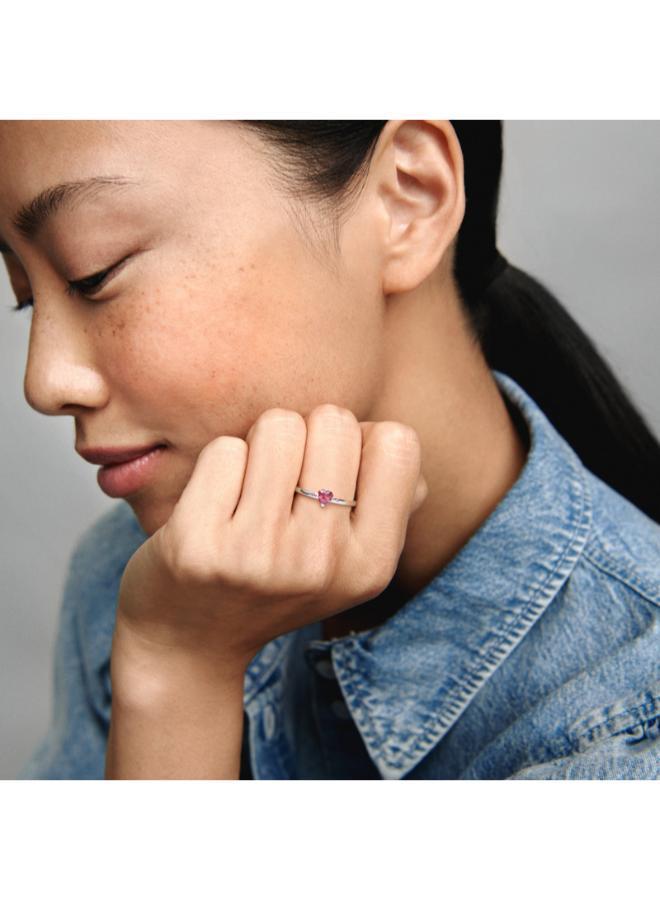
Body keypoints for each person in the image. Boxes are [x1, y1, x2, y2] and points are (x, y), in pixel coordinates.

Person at [1, 120, 658, 780]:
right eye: (27, 297)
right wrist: (172, 668)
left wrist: (177, 671)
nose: (45, 381)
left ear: (409, 198)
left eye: (93, 272)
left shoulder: (627, 730)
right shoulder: (144, 580)